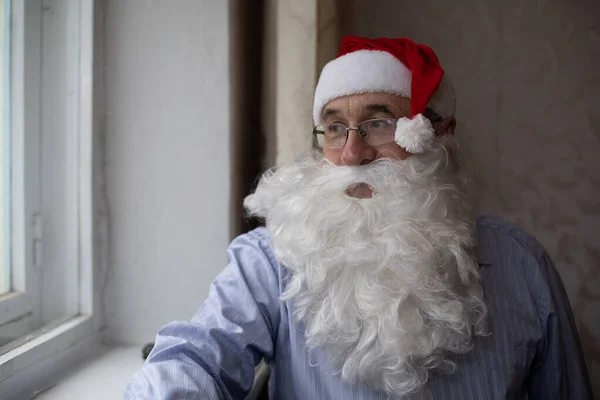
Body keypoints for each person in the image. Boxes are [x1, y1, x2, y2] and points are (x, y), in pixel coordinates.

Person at [124, 36, 593, 399]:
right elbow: (197, 355)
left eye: (379, 122)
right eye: (334, 127)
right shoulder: (273, 257)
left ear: (439, 136)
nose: (352, 154)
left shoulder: (521, 264)